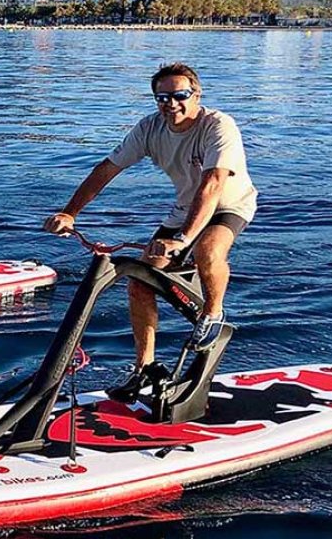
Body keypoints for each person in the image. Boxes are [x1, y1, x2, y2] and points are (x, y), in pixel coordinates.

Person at [43, 62, 257, 403]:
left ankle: (213, 314)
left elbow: (213, 184)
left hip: (228, 205)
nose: (171, 104)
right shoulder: (149, 128)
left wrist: (182, 240)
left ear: (196, 95)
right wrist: (70, 212)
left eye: (180, 95)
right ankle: (144, 368)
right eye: (163, 98)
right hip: (185, 209)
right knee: (140, 281)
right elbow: (106, 169)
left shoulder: (218, 125)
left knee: (208, 250)